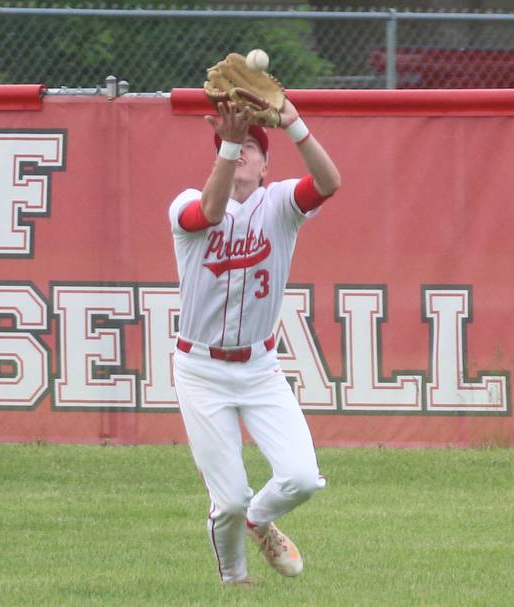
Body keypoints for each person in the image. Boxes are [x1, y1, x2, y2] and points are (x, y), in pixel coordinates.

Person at [167, 97, 341, 585]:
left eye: (250, 146)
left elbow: (329, 183)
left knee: (302, 478)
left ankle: (259, 520)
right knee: (229, 498)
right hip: (201, 369)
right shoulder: (186, 202)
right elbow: (210, 210)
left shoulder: (281, 205)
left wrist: (295, 125)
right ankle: (235, 582)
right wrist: (227, 144)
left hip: (261, 367)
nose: (240, 151)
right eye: (230, 146)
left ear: (267, 165)